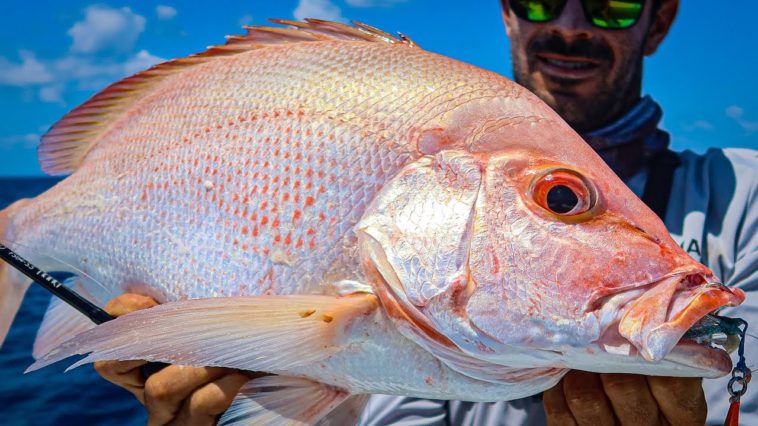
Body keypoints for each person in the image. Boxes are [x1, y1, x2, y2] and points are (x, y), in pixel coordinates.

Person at [96, 0, 757, 424]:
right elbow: (370, 401)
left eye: (612, 3)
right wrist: (242, 395)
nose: (570, 25)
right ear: (507, 13)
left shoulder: (743, 198)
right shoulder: (415, 291)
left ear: (660, 20)